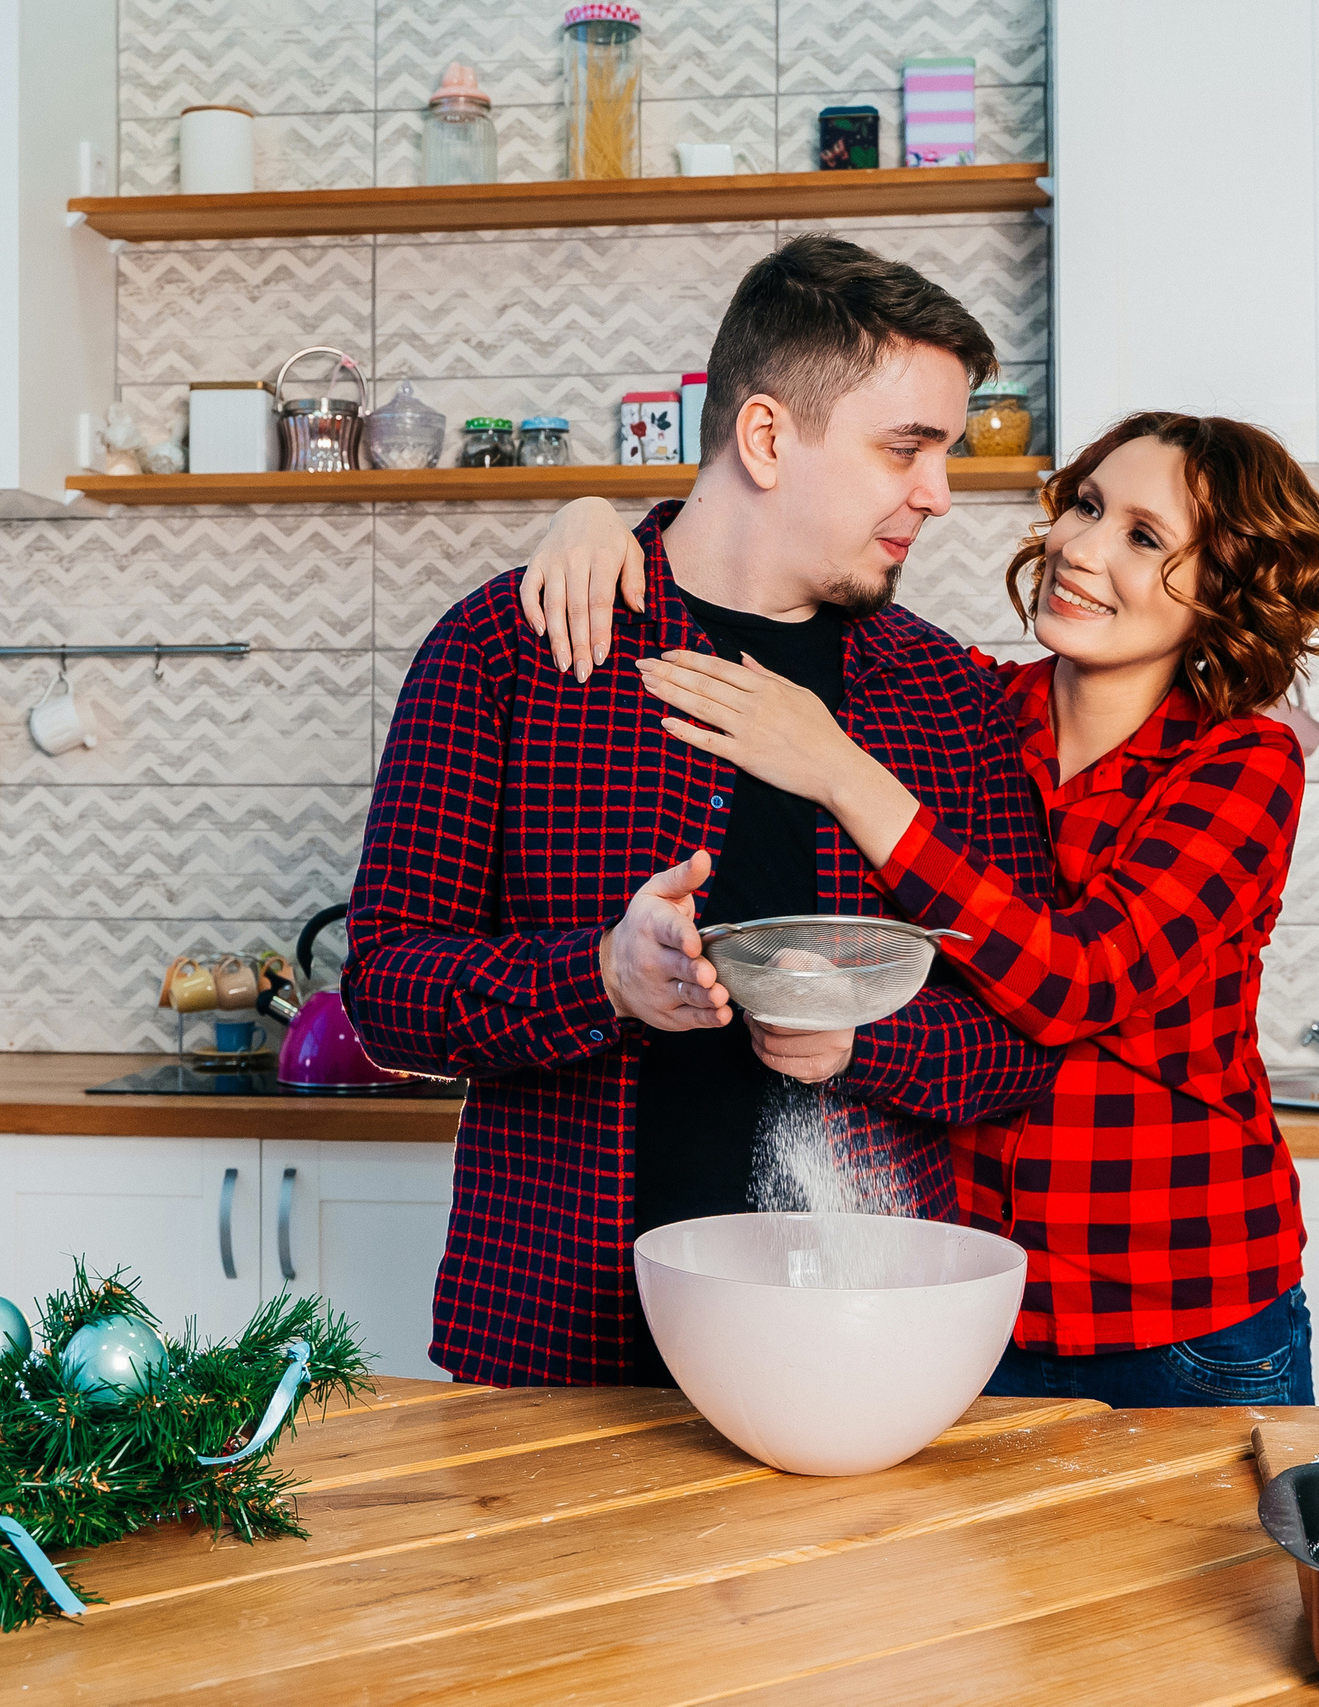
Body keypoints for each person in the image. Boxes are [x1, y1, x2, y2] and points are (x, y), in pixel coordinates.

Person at [519, 410, 1319, 1406]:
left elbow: (1073, 983)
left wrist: (840, 770)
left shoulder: (1240, 764)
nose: (1079, 549)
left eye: (1143, 537)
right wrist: (595, 520)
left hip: (1181, 1318)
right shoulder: (976, 710)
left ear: (1226, 589)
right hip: (961, 1304)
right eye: (1085, 507)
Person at [345, 236, 1058, 1388]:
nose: (938, 490)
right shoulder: (511, 647)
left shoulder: (948, 695)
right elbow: (383, 991)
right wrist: (604, 981)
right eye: (905, 449)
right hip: (556, 1341)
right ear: (768, 436)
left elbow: (1024, 1046)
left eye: (943, 452)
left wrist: (867, 1039)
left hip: (858, 1356)